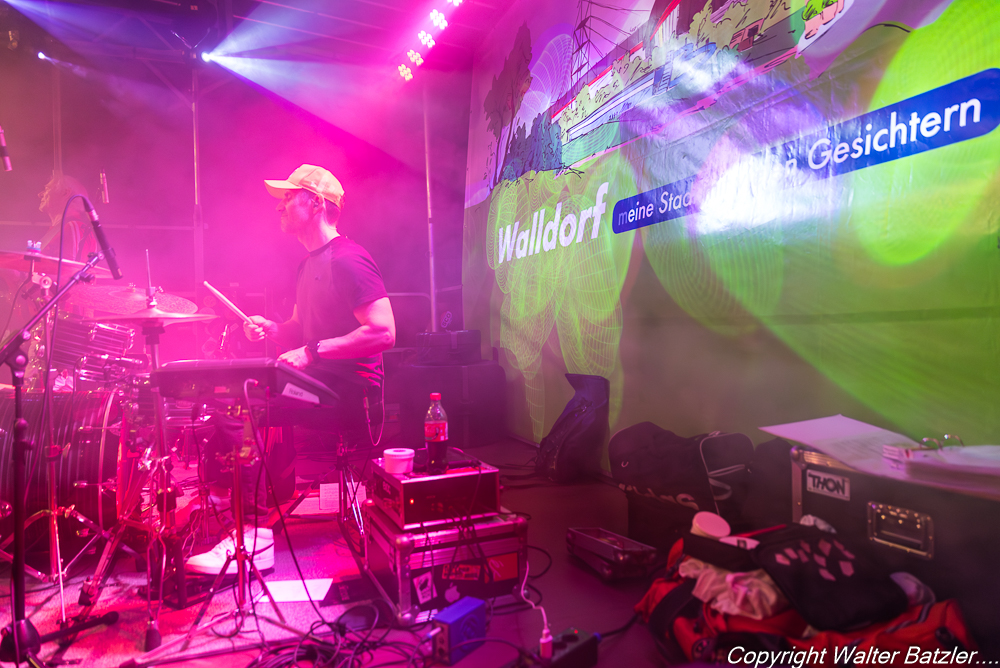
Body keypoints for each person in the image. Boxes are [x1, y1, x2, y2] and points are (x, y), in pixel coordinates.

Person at [185, 164, 396, 576]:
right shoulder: (307, 265)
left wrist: (311, 352)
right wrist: (273, 329)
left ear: (315, 204)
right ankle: (238, 507)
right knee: (228, 391)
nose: (279, 206)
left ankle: (252, 537)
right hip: (321, 380)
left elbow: (384, 332)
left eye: (288, 198)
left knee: (240, 404)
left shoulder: (349, 260)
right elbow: (301, 329)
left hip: (350, 391)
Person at [36, 172, 98, 262]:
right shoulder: (65, 228)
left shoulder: (73, 227)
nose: (40, 194)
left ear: (65, 193)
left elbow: (70, 269)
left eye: (47, 189)